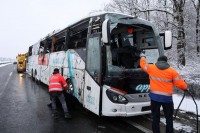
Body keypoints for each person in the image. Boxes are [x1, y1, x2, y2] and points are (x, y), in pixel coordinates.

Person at [140, 53, 187, 133]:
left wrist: (143, 57)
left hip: (154, 99)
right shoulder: (172, 71)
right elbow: (181, 84)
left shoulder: (151, 68)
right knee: (169, 119)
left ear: (158, 61)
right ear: (166, 62)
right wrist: (185, 87)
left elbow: (142, 64)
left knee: (155, 118)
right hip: (167, 100)